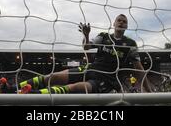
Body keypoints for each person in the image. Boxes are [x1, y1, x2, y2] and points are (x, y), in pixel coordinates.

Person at [10, 14, 152, 94]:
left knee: (76, 87)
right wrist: (86, 35)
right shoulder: (104, 37)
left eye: (124, 21)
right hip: (90, 68)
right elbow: (87, 46)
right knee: (54, 76)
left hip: (107, 80)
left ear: (126, 26)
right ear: (113, 23)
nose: (121, 23)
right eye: (119, 20)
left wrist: (148, 90)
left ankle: (32, 94)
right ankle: (14, 89)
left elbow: (138, 68)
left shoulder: (130, 44)